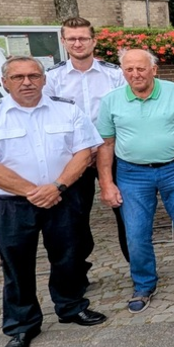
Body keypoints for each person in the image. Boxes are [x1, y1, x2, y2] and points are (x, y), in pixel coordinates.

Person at [0, 56, 107, 347]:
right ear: (5, 82)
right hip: (12, 204)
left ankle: (71, 307)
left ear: (44, 79)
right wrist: (33, 192)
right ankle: (22, 325)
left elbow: (84, 152)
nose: (27, 82)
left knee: (68, 256)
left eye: (34, 76)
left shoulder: (66, 109)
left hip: (62, 197)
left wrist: (58, 187)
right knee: (16, 264)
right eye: (19, 77)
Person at [97, 49, 174, 313]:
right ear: (123, 72)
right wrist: (106, 183)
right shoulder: (111, 101)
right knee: (135, 233)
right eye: (130, 69)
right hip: (132, 174)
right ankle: (144, 284)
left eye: (141, 68)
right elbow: (106, 144)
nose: (135, 74)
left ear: (154, 69)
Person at [44, 17, 129, 266]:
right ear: (63, 41)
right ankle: (77, 274)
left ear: (94, 41)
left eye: (83, 38)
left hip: (112, 154)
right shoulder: (52, 79)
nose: (78, 43)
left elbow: (125, 113)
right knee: (73, 221)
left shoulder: (114, 75)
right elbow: (48, 119)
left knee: (126, 214)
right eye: (72, 38)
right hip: (72, 159)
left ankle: (139, 270)